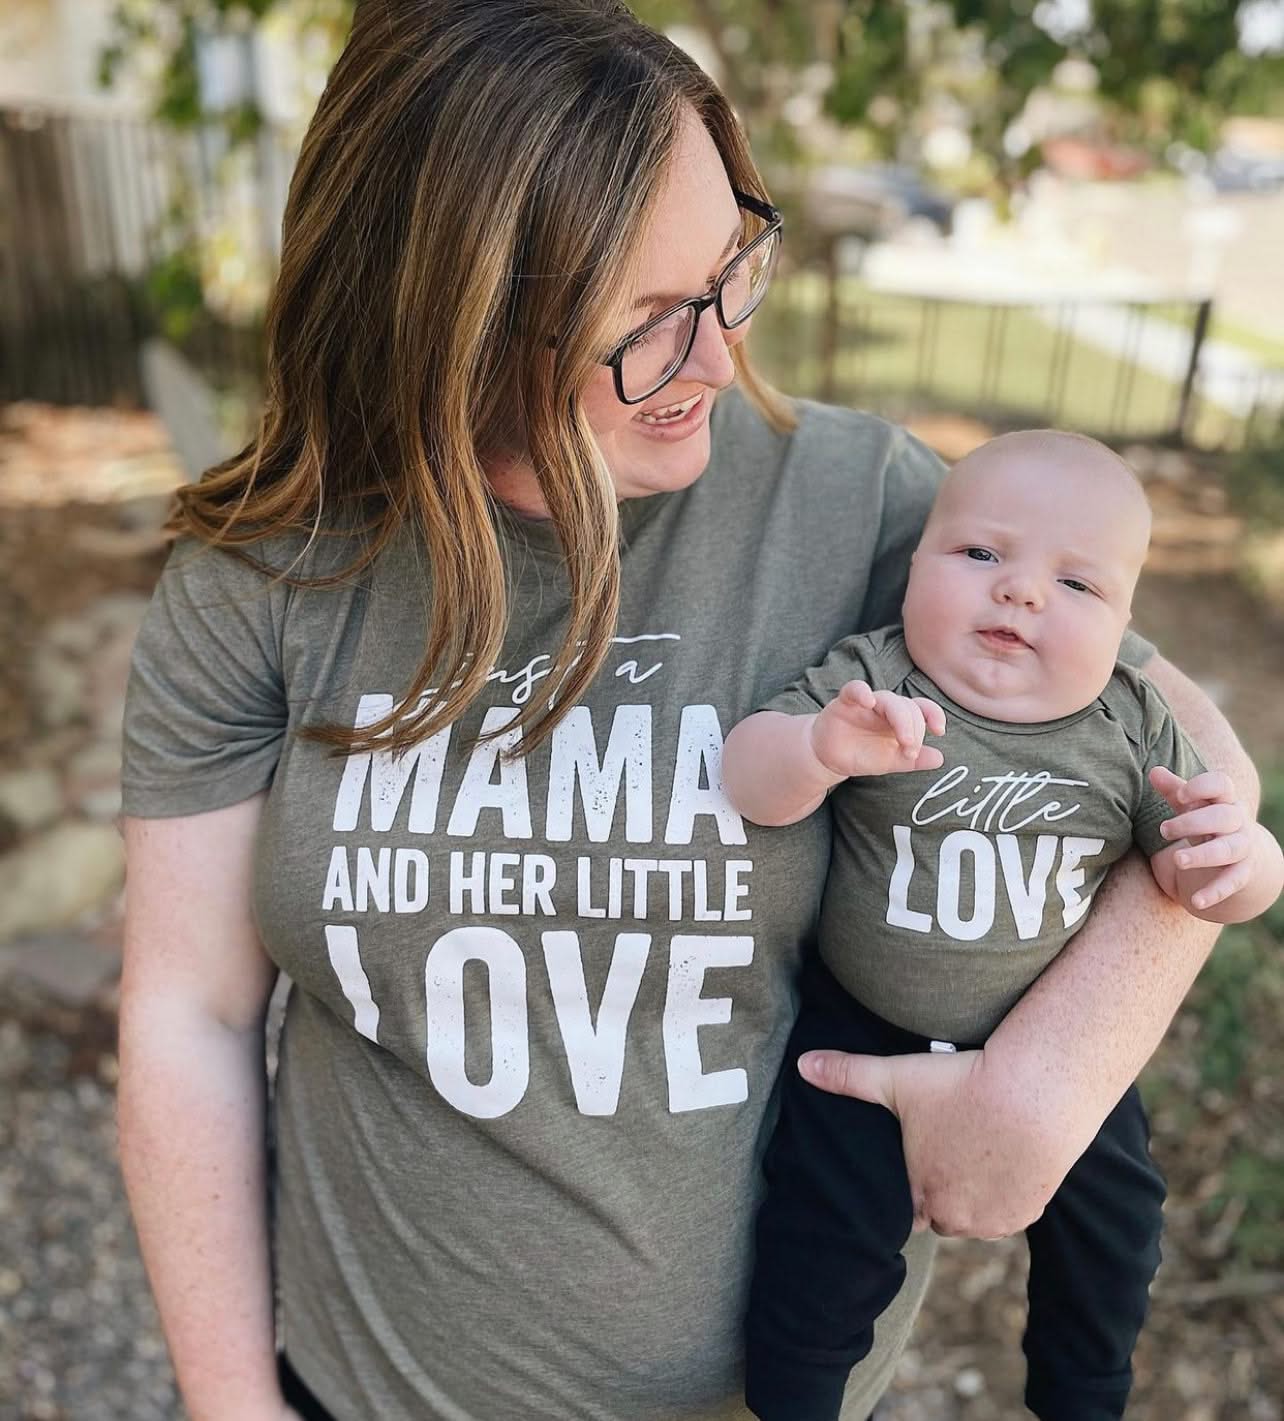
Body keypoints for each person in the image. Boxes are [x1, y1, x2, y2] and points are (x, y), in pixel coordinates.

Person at [115, 4, 1260, 1419]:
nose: (717, 359)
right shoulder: (269, 575)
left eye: (728, 273)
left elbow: (1177, 745)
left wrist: (1055, 1078)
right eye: (647, 325)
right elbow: (189, 1015)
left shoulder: (862, 506)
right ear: (447, 323)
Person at [723, 431, 1284, 1421]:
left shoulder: (1131, 725)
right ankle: (795, 1396)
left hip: (1050, 1041)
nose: (1020, 590)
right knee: (822, 1235)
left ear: (1125, 625)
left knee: (1117, 1224)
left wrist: (1246, 861)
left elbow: (1194, 881)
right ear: (914, 565)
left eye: (1076, 583)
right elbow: (748, 781)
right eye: (981, 553)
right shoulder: (877, 680)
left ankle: (1084, 1393)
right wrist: (816, 747)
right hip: (866, 1026)